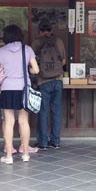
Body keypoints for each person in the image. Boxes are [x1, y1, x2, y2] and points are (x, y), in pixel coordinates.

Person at [0, 25, 39, 164]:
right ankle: (25, 154)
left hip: (7, 88)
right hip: (23, 88)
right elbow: (36, 70)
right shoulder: (28, 49)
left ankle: (9, 156)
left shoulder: (0, 52)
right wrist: (27, 71)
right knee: (23, 121)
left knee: (8, 121)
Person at [32, 20, 66, 151]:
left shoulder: (36, 42)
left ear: (40, 30)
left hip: (43, 81)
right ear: (51, 30)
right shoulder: (59, 41)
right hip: (58, 80)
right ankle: (56, 141)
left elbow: (32, 63)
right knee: (56, 111)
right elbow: (63, 61)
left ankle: (43, 142)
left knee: (43, 111)